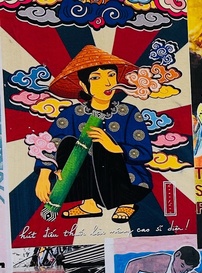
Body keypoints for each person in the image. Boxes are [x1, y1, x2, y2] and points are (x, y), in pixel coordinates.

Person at [35, 45, 153, 223]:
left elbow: (145, 153)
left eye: (111, 76)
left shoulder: (128, 112)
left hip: (126, 181)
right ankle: (89, 204)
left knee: (101, 148)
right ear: (84, 85)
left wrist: (114, 147)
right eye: (96, 78)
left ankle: (126, 203)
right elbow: (52, 143)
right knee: (68, 143)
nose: (107, 83)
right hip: (87, 181)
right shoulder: (72, 114)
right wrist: (44, 174)